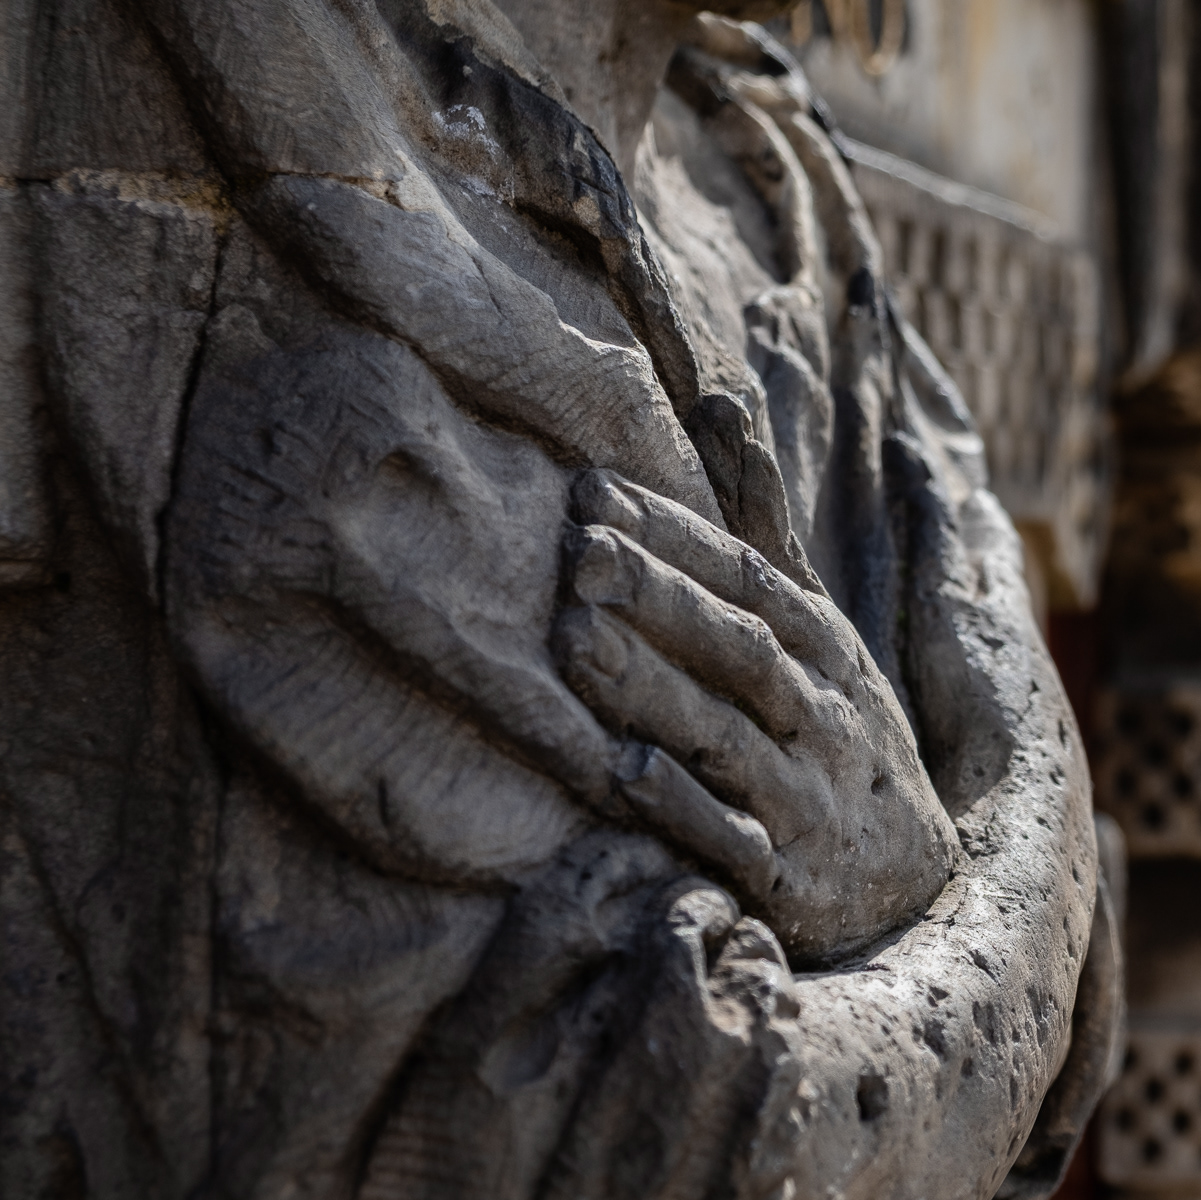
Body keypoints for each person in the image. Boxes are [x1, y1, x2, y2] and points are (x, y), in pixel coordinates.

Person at [0, 2, 1117, 1196]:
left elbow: (1080, 1012)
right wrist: (993, 885)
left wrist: (956, 880)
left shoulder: (772, 170)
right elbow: (647, 1125)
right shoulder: (276, 142)